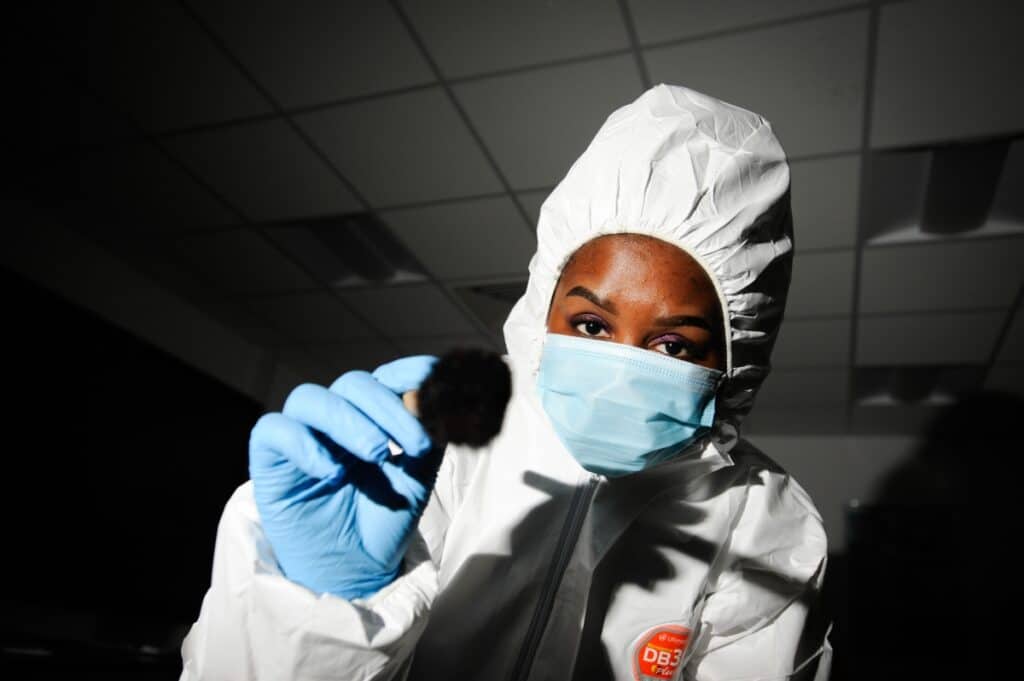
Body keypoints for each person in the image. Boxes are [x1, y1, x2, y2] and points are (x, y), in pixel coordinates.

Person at [179, 84, 831, 681]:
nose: (621, 368)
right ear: (541, 314)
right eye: (592, 325)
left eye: (671, 344)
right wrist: (320, 602)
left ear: (734, 360)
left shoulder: (766, 527)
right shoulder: (444, 451)